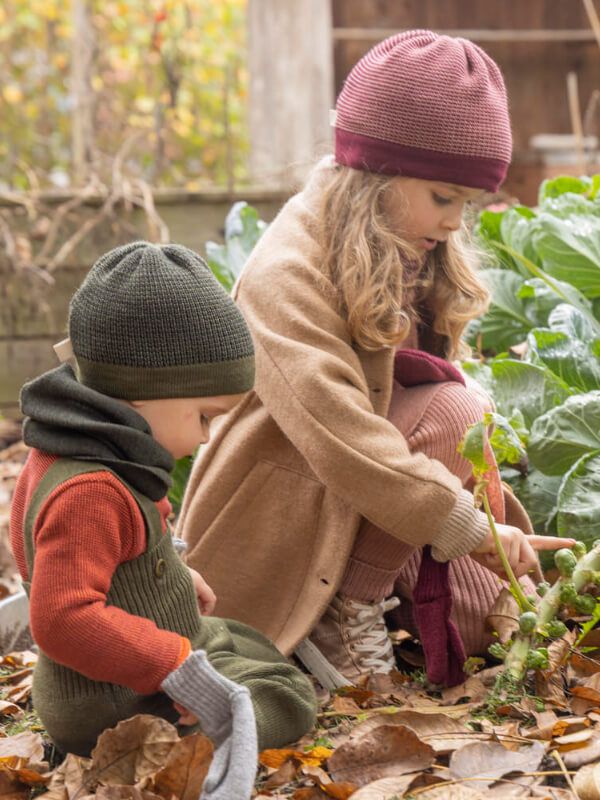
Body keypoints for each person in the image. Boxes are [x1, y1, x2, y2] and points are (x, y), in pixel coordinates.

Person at [177, 30, 575, 690]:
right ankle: (343, 610)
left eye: (467, 204)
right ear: (375, 174)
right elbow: (344, 439)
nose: (454, 223)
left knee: (479, 634)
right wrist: (466, 527)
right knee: (453, 409)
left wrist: (487, 538)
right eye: (443, 198)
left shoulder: (403, 245)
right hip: (281, 505)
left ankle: (380, 593)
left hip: (367, 494)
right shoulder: (286, 273)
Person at [9, 242, 317, 800]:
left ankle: (158, 726)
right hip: (109, 693)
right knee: (284, 694)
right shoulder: (90, 489)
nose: (203, 437)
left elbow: (111, 550)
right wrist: (174, 665)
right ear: (143, 395)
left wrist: (171, 568)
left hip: (118, 664)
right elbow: (60, 617)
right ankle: (173, 747)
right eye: (203, 416)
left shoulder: (76, 447)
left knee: (250, 643)